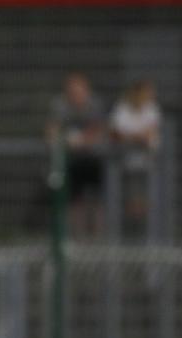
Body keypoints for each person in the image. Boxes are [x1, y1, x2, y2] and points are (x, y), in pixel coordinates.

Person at [46, 73, 107, 238]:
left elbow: (100, 129)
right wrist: (64, 141)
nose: (76, 95)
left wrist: (82, 140)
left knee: (97, 199)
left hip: (95, 159)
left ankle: (99, 239)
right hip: (70, 161)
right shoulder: (60, 105)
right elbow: (52, 130)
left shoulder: (95, 104)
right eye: (72, 91)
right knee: (74, 200)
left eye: (79, 91)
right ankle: (76, 238)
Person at [110, 80, 162, 232]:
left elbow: (151, 134)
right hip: (124, 165)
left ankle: (146, 232)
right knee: (127, 202)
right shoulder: (122, 109)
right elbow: (117, 134)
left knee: (146, 202)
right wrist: (138, 137)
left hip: (148, 164)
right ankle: (126, 232)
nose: (149, 96)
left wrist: (131, 136)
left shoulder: (152, 109)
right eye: (146, 93)